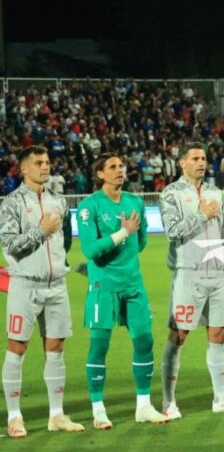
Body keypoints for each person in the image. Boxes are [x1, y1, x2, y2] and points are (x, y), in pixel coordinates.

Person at [77, 153, 169, 429]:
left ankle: (144, 406)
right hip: (103, 287)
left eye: (121, 166)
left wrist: (127, 238)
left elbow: (141, 242)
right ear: (100, 174)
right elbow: (90, 249)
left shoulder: (135, 202)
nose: (119, 170)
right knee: (99, 345)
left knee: (145, 342)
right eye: (112, 167)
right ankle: (98, 410)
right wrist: (122, 233)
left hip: (133, 285)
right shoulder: (89, 206)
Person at [0, 146, 84, 438]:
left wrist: (58, 262)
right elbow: (10, 245)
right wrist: (41, 230)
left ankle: (56, 415)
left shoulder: (59, 201)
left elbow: (66, 240)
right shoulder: (11, 203)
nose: (45, 166)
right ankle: (14, 416)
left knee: (56, 348)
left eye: (47, 162)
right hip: (25, 284)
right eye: (38, 163)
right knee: (17, 347)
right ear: (24, 169)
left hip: (56, 285)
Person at [160, 142, 224, 417]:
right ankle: (168, 402)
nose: (201, 163)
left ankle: (220, 398)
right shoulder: (171, 193)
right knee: (179, 335)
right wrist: (201, 215)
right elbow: (172, 231)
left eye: (204, 158)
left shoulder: (215, 193)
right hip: (188, 273)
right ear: (182, 163)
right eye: (195, 158)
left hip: (215, 275)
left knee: (219, 334)